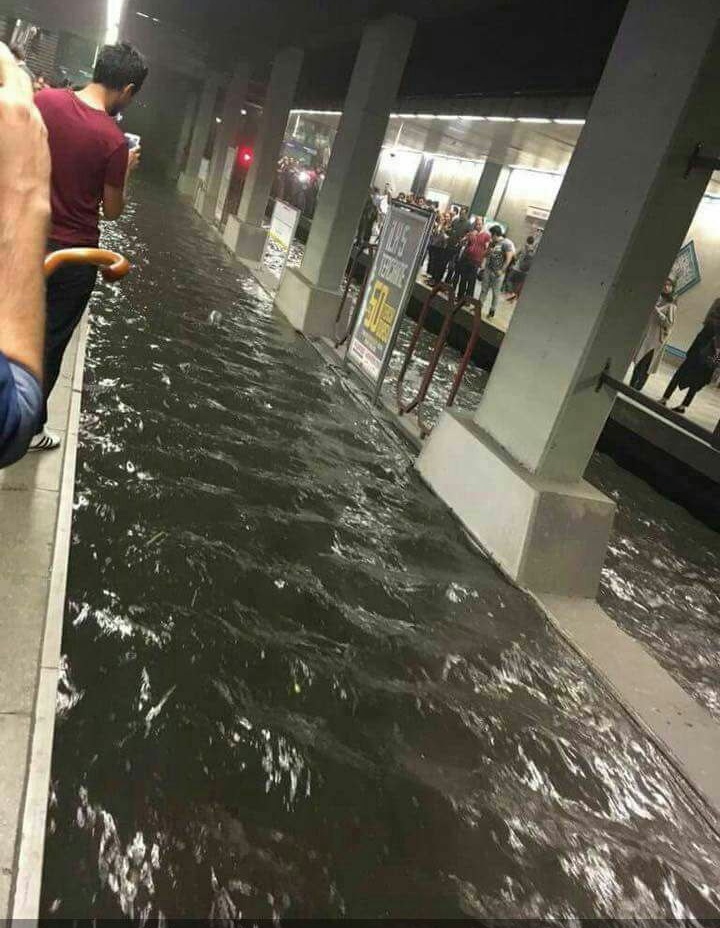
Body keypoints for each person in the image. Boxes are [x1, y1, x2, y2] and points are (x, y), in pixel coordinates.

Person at [31, 41, 147, 451]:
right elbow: (112, 211)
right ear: (128, 90)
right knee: (49, 342)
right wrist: (125, 171)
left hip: (26, 239)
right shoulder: (114, 141)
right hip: (73, 256)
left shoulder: (44, 101)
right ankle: (28, 429)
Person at [0, 43, 49, 467]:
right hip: (35, 254)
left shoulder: (49, 103)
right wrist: (27, 195)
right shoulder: (110, 140)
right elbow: (8, 421)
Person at [659, 299, 720, 413]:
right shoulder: (714, 321)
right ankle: (681, 405)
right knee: (695, 381)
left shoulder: (712, 321)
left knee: (680, 375)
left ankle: (666, 398)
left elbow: (707, 329)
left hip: (700, 353)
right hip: (707, 356)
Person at [630, 278, 677, 391]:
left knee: (646, 366)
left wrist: (657, 311)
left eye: (669, 285)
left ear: (672, 288)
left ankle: (637, 389)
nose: (666, 287)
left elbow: (669, 324)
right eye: (665, 284)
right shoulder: (656, 299)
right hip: (645, 336)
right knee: (638, 363)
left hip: (655, 340)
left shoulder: (671, 306)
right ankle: (630, 387)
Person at [480, 225, 515, 318]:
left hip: (498, 273)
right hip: (488, 269)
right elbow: (485, 254)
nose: (491, 237)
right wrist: (488, 251)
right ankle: (478, 307)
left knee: (496, 293)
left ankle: (492, 311)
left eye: (492, 235)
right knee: (484, 289)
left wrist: (502, 270)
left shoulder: (506, 243)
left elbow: (509, 258)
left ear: (495, 234)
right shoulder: (492, 243)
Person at [455, 217, 491, 303]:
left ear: (483, 224)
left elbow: (487, 248)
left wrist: (482, 257)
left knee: (471, 281)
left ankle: (468, 300)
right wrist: (467, 237)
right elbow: (463, 242)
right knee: (463, 278)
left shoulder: (486, 236)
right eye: (476, 224)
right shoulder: (471, 233)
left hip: (476, 261)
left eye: (479, 224)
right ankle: (460, 297)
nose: (478, 226)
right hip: (467, 258)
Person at [444, 206, 472, 289]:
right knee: (444, 262)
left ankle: (447, 282)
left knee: (452, 267)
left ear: (466, 214)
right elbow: (450, 228)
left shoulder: (468, 224)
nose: (461, 215)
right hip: (449, 244)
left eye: (463, 213)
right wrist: (447, 230)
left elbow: (468, 236)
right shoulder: (455, 220)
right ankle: (439, 281)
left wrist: (463, 240)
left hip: (458, 248)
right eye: (460, 213)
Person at [506, 235, 535, 302]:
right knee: (517, 283)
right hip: (525, 272)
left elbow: (515, 255)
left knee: (509, 280)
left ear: (527, 240)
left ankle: (512, 293)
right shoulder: (533, 250)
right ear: (533, 242)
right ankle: (513, 297)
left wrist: (517, 260)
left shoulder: (523, 247)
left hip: (517, 268)